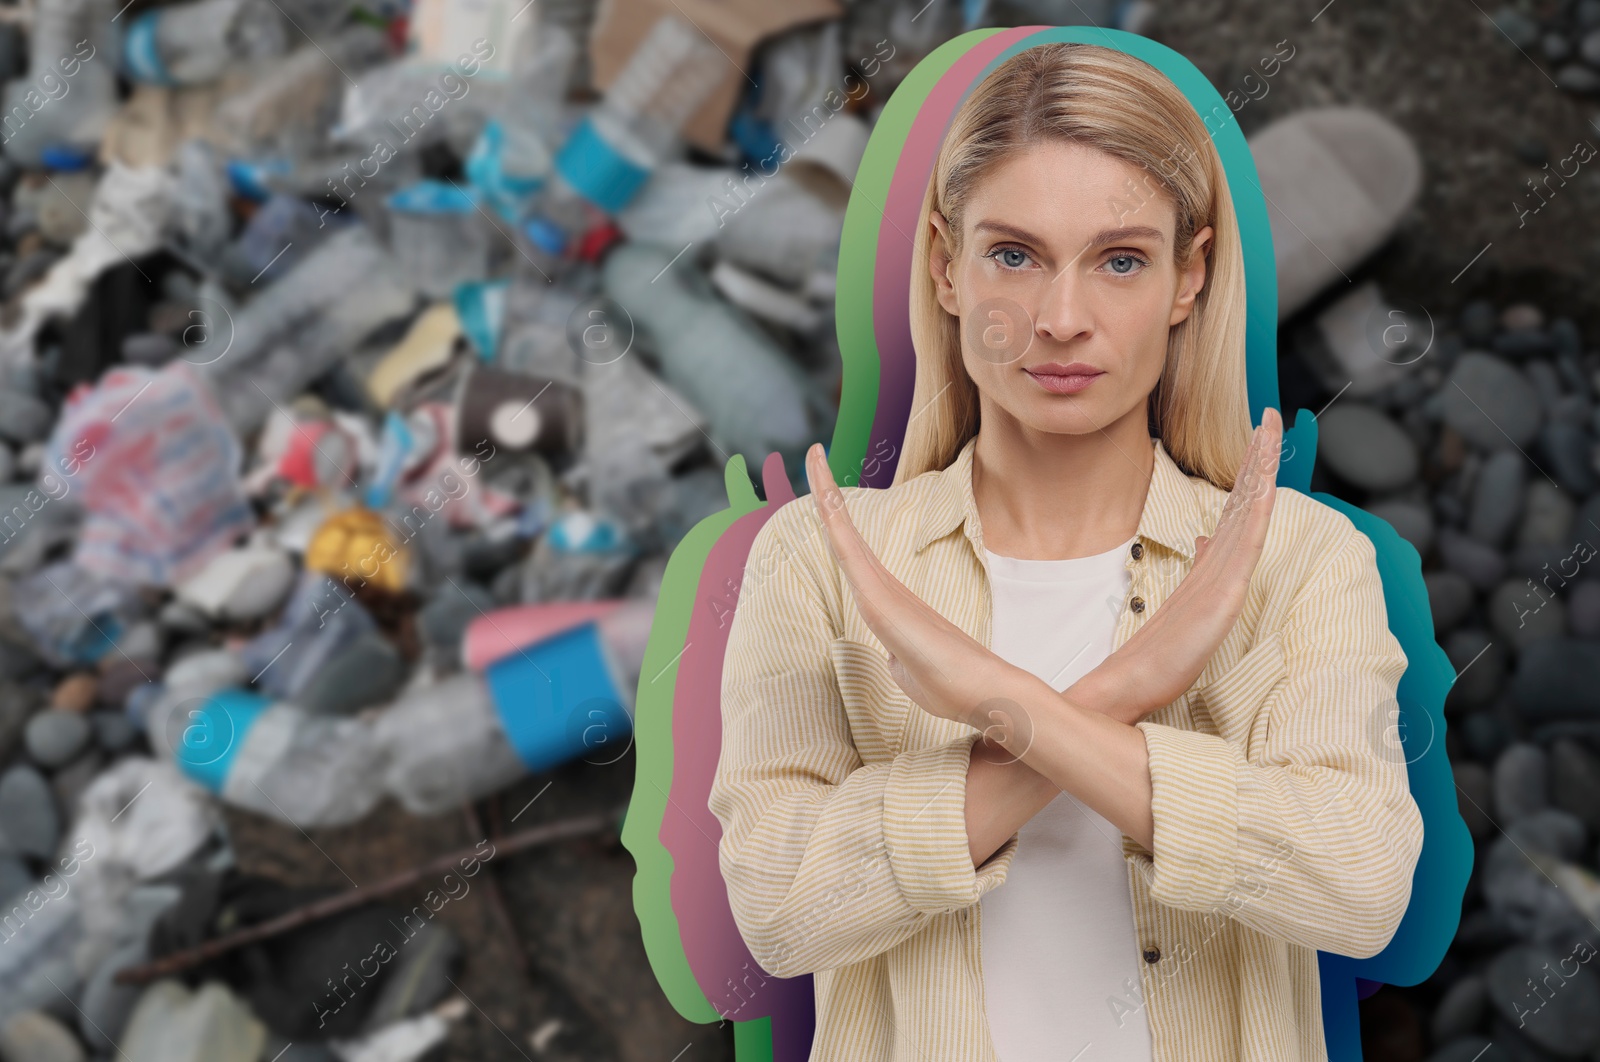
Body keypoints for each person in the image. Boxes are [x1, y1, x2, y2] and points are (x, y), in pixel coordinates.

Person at [710, 41, 1425, 1062]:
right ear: (945, 268)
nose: (1058, 322)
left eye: (1121, 261)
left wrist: (1002, 704)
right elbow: (778, 913)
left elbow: (1359, 890)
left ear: (1192, 278)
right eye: (1014, 255)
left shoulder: (1295, 556)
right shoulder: (820, 558)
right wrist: (1124, 688)